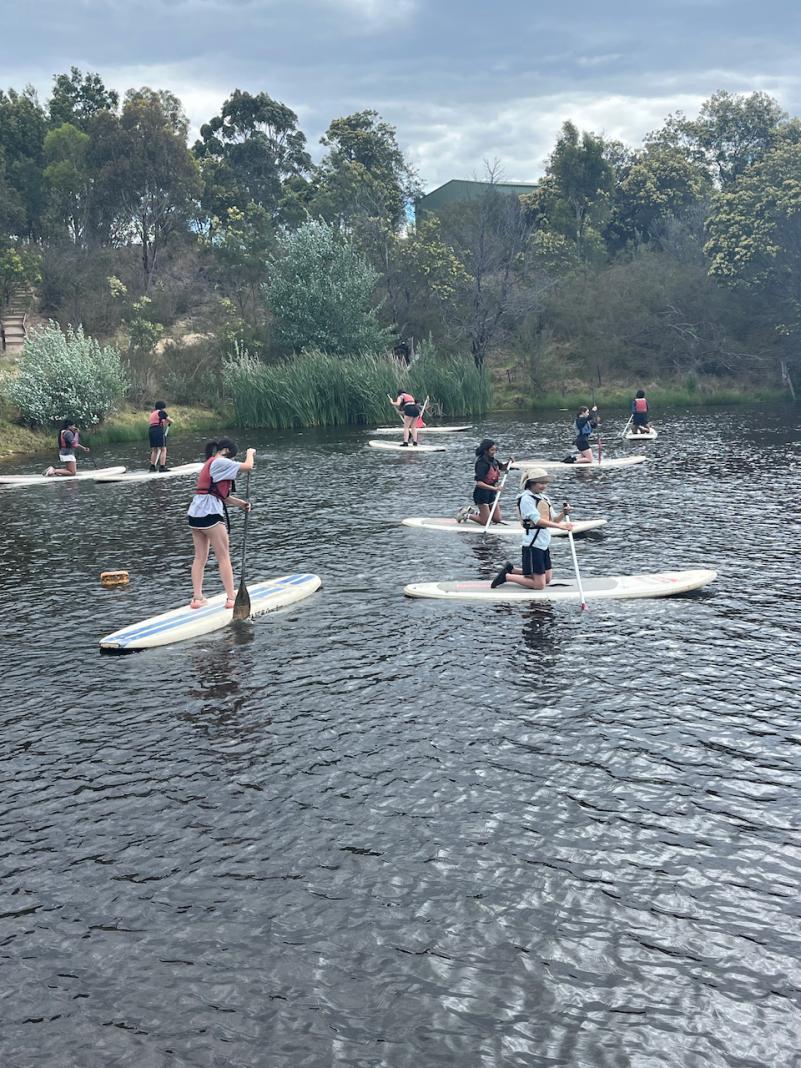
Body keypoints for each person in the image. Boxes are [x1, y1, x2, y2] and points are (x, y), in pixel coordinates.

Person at [186, 438, 255, 610]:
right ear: (225, 451)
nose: (232, 460)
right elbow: (248, 466)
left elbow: (220, 495)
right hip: (210, 514)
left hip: (195, 514)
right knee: (224, 557)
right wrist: (250, 453)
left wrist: (240, 504)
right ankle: (231, 598)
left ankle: (197, 599)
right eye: (232, 456)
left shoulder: (210, 462)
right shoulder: (220, 461)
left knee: (199, 557)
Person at [491, 467, 573, 590]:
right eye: (540, 483)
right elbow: (537, 520)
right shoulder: (526, 499)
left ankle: (512, 570)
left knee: (547, 579)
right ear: (531, 483)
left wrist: (563, 513)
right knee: (540, 585)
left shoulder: (544, 498)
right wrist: (561, 527)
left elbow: (554, 519)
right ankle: (507, 577)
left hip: (543, 543)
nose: (544, 486)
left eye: (545, 483)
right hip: (533, 544)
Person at [457, 439, 511, 526]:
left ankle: (473, 512)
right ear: (486, 450)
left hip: (491, 493)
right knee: (486, 522)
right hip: (481, 494)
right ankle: (466, 515)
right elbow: (479, 483)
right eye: (492, 450)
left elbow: (503, 468)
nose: (494, 452)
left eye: (495, 450)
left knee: (497, 519)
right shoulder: (481, 463)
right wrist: (495, 488)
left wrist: (509, 462)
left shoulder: (494, 460)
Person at [148, 400, 172, 471]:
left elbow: (160, 422)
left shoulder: (152, 413)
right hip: (158, 430)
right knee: (163, 449)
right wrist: (169, 421)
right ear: (162, 407)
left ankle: (152, 466)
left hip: (151, 430)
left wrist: (164, 422)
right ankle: (162, 467)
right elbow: (171, 421)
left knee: (155, 449)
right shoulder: (161, 412)